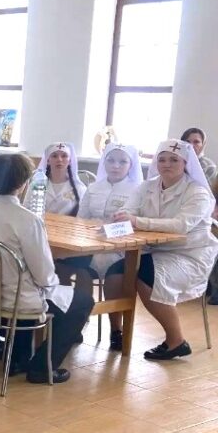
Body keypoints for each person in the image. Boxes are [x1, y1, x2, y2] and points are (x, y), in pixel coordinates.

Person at [0, 154, 94, 383]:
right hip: (20, 299)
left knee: (27, 285)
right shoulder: (27, 220)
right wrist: (54, 284)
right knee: (82, 301)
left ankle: (19, 358)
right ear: (23, 183)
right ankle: (42, 367)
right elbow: (44, 275)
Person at [113, 139, 218, 361]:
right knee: (116, 272)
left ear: (185, 163)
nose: (167, 164)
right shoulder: (147, 186)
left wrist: (137, 221)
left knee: (144, 274)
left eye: (173, 160)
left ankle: (176, 340)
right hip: (154, 250)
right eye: (162, 159)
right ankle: (117, 332)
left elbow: (181, 225)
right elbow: (128, 210)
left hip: (189, 255)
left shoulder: (198, 192)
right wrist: (123, 216)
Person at [74, 144, 142, 351]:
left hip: (121, 249)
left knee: (115, 279)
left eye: (122, 161)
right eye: (111, 160)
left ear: (131, 165)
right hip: (91, 245)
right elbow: (80, 220)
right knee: (82, 272)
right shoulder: (94, 188)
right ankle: (76, 324)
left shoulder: (137, 190)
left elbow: (135, 225)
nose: (116, 166)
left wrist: (109, 230)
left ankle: (116, 330)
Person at [26, 142, 90, 291]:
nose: (59, 160)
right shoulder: (37, 184)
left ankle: (68, 301)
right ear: (48, 160)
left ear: (70, 160)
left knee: (70, 270)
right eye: (54, 156)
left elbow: (84, 218)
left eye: (64, 156)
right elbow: (27, 209)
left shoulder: (79, 188)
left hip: (68, 242)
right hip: (40, 238)